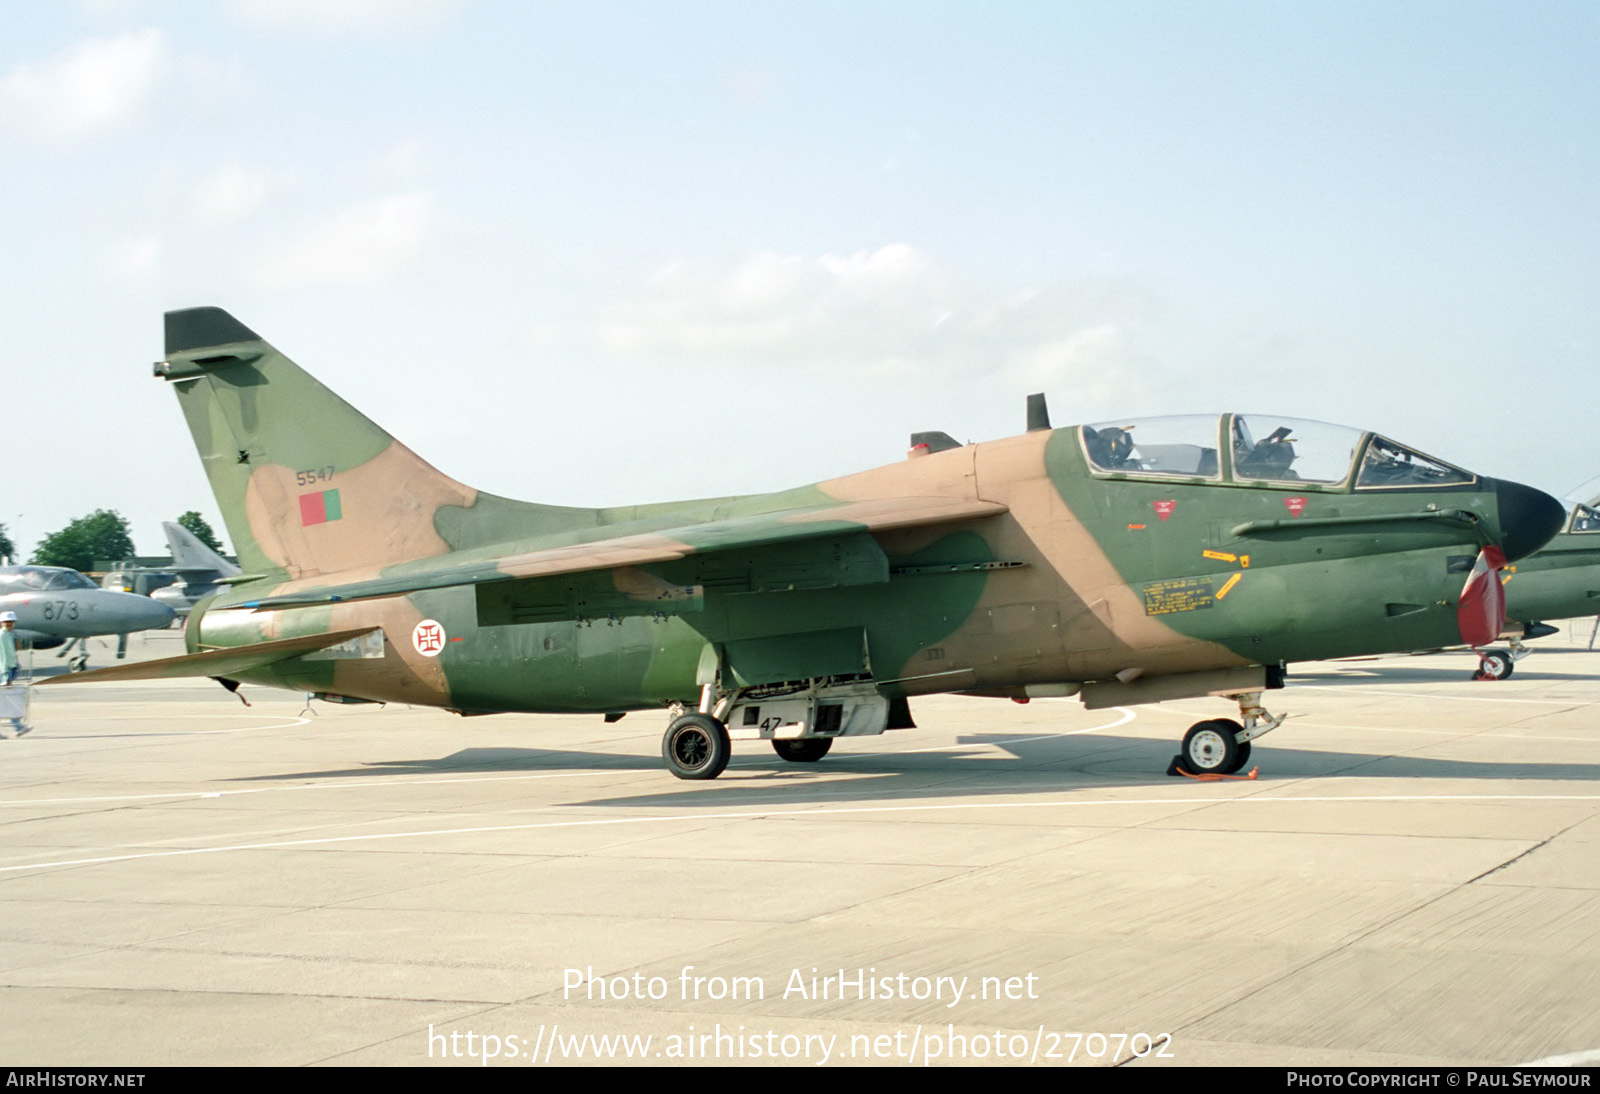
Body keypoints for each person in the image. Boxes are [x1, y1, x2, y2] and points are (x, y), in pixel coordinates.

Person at [0, 611, 29, 736]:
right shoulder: (2, 636)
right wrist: (6, 676)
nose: (9, 624)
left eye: (11, 622)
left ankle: (17, 726)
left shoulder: (10, 635)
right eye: (7, 622)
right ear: (2, 623)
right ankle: (17, 726)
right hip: (4, 671)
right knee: (7, 699)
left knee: (8, 699)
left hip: (10, 670)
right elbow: (3, 657)